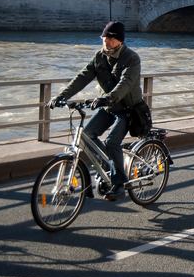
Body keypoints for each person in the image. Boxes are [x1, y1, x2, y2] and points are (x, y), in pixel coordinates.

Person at [47, 21, 142, 201]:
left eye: (110, 38)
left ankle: (119, 183)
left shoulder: (131, 58)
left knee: (112, 142)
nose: (106, 41)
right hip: (108, 106)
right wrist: (62, 96)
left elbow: (126, 83)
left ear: (119, 41)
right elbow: (83, 77)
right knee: (88, 134)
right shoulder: (99, 57)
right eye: (104, 38)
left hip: (128, 109)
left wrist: (108, 97)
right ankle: (108, 166)